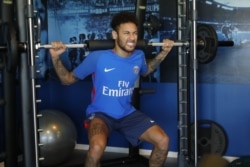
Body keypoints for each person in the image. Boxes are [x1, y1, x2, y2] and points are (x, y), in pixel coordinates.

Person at [49, 11, 174, 167]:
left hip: (127, 113)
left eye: (135, 33)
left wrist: (164, 52)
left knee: (163, 141)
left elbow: (146, 70)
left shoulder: (139, 56)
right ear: (115, 35)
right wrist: (55, 57)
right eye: (126, 33)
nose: (132, 38)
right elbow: (66, 80)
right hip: (101, 115)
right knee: (95, 149)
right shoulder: (98, 57)